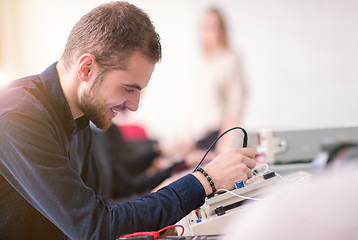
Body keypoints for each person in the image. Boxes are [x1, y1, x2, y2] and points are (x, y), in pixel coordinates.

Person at [0, 2, 256, 239]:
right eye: (128, 88)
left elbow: (106, 203)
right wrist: (203, 181)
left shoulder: (79, 116)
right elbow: (94, 226)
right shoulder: (19, 118)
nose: (134, 106)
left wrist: (183, 186)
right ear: (86, 68)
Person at [184, 7, 245, 154]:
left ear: (223, 30)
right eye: (206, 28)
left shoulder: (230, 58)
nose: (211, 33)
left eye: (215, 27)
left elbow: (235, 104)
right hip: (197, 138)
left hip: (217, 136)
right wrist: (185, 138)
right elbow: (194, 104)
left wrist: (224, 143)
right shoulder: (199, 60)